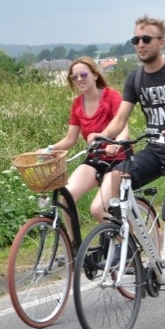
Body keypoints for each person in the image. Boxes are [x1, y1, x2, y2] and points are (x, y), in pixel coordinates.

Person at [89, 15, 165, 311]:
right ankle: (120, 245)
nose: (140, 45)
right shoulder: (135, 78)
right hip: (154, 149)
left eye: (146, 40)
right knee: (116, 176)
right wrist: (102, 137)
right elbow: (119, 120)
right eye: (136, 40)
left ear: (161, 43)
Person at [46, 56, 128, 237]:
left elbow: (123, 128)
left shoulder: (111, 96)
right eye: (74, 77)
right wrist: (49, 150)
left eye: (83, 74)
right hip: (95, 158)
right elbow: (70, 139)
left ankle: (126, 246)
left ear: (95, 75)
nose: (79, 80)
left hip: (118, 160)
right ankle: (76, 247)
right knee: (66, 197)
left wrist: (117, 144)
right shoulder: (77, 104)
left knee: (98, 209)